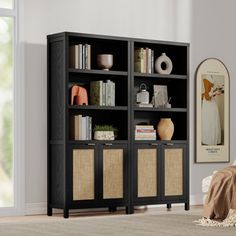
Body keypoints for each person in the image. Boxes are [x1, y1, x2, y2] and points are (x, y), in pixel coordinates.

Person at [201, 75, 222, 145]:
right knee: (209, 120)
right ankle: (209, 141)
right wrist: (215, 93)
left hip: (211, 102)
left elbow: (209, 94)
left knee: (212, 119)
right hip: (208, 103)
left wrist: (216, 92)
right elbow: (207, 96)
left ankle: (213, 140)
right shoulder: (206, 78)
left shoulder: (210, 77)